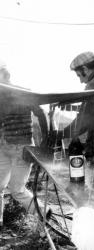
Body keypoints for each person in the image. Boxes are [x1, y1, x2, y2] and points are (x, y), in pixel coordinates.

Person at [0, 63, 48, 226]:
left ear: (6, 76)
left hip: (23, 148)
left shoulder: (23, 92)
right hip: (4, 147)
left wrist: (46, 141)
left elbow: (41, 114)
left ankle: (44, 214)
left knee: (17, 190)